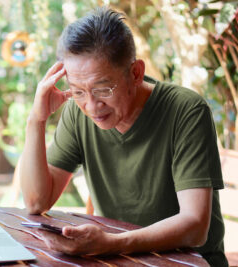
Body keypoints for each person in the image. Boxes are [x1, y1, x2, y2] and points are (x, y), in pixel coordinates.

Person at [17, 6, 228, 267]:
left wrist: (111, 243)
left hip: (188, 262)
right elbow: (36, 202)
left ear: (136, 73)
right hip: (118, 260)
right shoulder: (77, 112)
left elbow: (195, 227)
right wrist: (35, 120)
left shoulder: (185, 110)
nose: (92, 106)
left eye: (103, 89)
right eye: (78, 91)